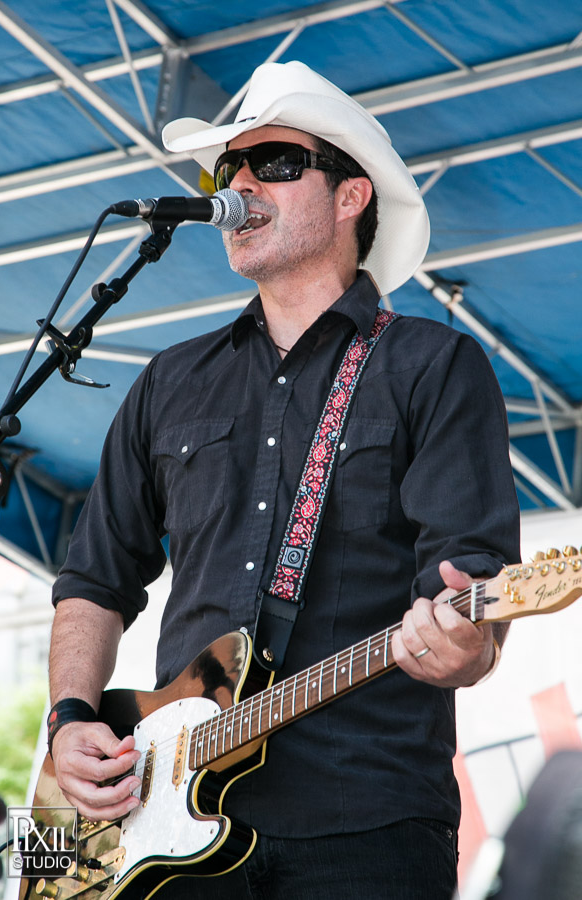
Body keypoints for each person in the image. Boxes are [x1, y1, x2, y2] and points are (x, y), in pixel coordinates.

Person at [48, 61, 520, 899]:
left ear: (351, 197)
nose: (237, 186)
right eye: (225, 169)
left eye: (273, 163)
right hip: (160, 828)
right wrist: (69, 720)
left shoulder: (432, 365)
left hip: (364, 818)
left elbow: (472, 590)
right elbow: (93, 577)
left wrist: (462, 642)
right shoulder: (170, 380)